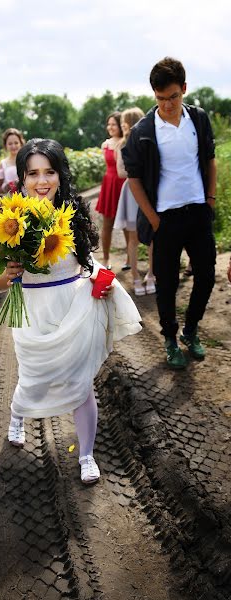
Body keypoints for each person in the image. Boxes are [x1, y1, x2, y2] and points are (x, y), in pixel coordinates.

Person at [0, 139, 142, 484]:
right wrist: (7, 275)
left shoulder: (74, 213)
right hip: (32, 312)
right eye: (33, 173)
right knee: (33, 377)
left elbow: (85, 263)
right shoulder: (8, 219)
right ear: (22, 178)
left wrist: (99, 279)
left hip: (74, 311)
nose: (42, 181)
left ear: (60, 175)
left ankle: (87, 455)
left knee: (81, 384)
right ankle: (17, 417)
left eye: (49, 172)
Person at [122, 57, 216, 369]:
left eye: (173, 97)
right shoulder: (143, 131)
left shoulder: (198, 120)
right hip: (165, 219)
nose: (168, 105)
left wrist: (211, 200)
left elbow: (210, 160)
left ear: (184, 90)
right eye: (160, 99)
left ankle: (191, 330)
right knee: (166, 283)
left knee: (205, 276)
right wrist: (153, 218)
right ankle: (170, 339)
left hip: (198, 212)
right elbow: (133, 179)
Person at [114, 107, 155, 296]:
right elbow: (121, 172)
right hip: (131, 190)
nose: (124, 129)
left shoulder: (147, 141)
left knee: (151, 234)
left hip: (147, 189)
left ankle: (152, 274)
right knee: (133, 238)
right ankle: (136, 276)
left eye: (125, 125)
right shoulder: (121, 146)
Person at [95, 112, 127, 270]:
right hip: (109, 184)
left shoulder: (125, 142)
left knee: (128, 224)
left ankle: (129, 258)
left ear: (121, 125)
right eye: (109, 124)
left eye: (113, 124)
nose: (110, 127)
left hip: (123, 184)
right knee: (107, 223)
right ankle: (106, 259)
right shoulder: (105, 144)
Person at [0, 128, 25, 195]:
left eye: (16, 143)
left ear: (21, 143)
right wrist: (6, 188)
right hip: (11, 201)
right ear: (5, 145)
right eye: (10, 144)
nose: (13, 146)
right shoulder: (3, 163)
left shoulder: (27, 161)